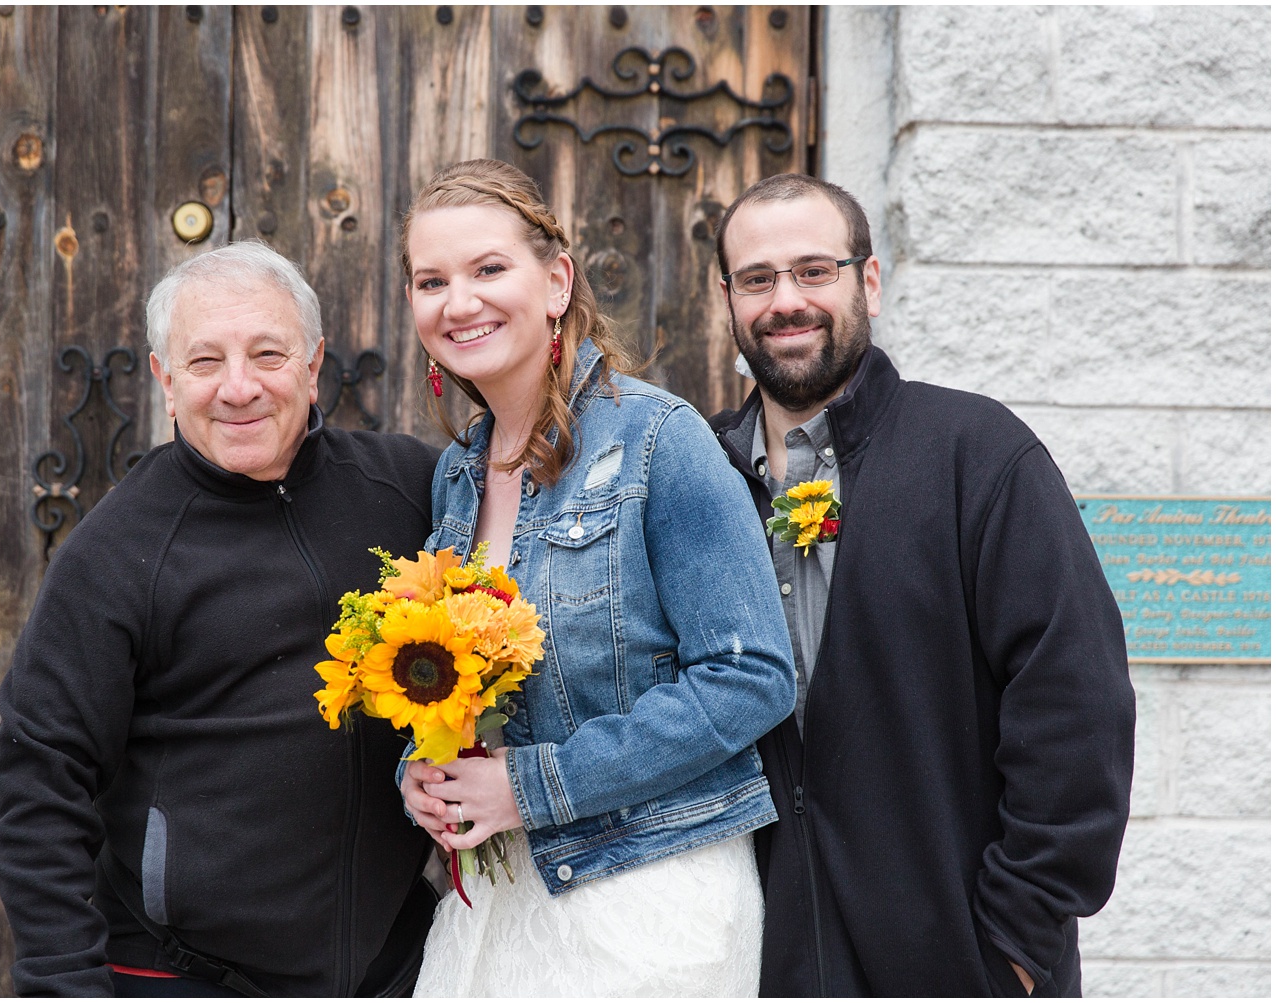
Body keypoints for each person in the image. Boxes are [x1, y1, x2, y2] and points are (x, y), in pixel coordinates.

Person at [708, 174, 1136, 997]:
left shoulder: (976, 453)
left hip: (957, 962)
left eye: (814, 270)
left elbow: (1076, 704)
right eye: (758, 278)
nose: (786, 299)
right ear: (727, 298)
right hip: (755, 962)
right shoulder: (701, 477)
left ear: (868, 281)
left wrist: (1012, 941)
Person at [0, 241, 440, 996]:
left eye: (268, 353)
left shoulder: (408, 486)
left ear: (313, 361)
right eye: (204, 362)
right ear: (165, 381)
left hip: (398, 968)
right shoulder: (117, 551)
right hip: (184, 973)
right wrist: (64, 983)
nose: (239, 388)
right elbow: (39, 779)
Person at [396, 160, 797, 997]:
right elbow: (468, 687)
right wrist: (422, 771)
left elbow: (752, 675)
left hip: (648, 897)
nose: (458, 301)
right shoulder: (458, 475)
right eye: (431, 280)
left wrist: (528, 784)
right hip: (499, 899)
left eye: (488, 269)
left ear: (555, 282)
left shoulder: (659, 439)